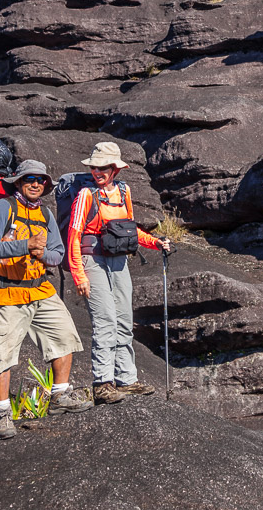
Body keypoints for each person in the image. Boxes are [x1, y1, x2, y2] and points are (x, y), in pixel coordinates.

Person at [0, 160, 93, 439]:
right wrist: (25, 245)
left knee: (65, 336)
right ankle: (3, 412)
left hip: (40, 289)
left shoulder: (45, 213)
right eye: (29, 178)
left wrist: (42, 255)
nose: (35, 184)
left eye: (41, 180)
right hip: (5, 291)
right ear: (18, 182)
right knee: (2, 355)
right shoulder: (2, 208)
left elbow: (57, 254)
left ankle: (60, 396)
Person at [65, 141, 171, 404]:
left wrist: (156, 243)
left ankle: (126, 379)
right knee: (105, 321)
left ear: (115, 169)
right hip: (93, 261)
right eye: (94, 167)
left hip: (119, 262)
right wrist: (79, 275)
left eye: (103, 167)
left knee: (124, 319)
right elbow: (74, 235)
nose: (97, 171)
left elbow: (129, 230)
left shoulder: (124, 191)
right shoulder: (85, 196)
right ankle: (102, 383)